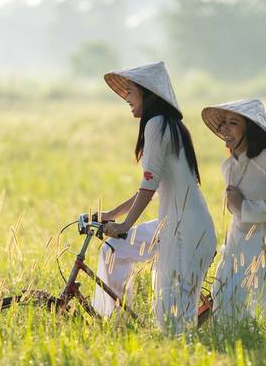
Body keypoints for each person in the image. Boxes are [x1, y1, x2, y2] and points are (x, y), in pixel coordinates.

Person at [93, 61, 217, 333]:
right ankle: (115, 326)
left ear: (148, 93)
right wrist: (113, 214)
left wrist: (124, 226)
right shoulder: (168, 125)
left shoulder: (158, 125)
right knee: (113, 250)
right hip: (173, 225)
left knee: (174, 323)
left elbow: (148, 185)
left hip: (186, 231)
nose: (126, 97)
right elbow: (154, 186)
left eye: (131, 91)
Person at [201, 98, 266, 321]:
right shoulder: (228, 165)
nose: (225, 129)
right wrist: (238, 209)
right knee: (225, 300)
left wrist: (245, 207)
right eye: (223, 123)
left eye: (233, 123)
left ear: (250, 129)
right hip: (237, 242)